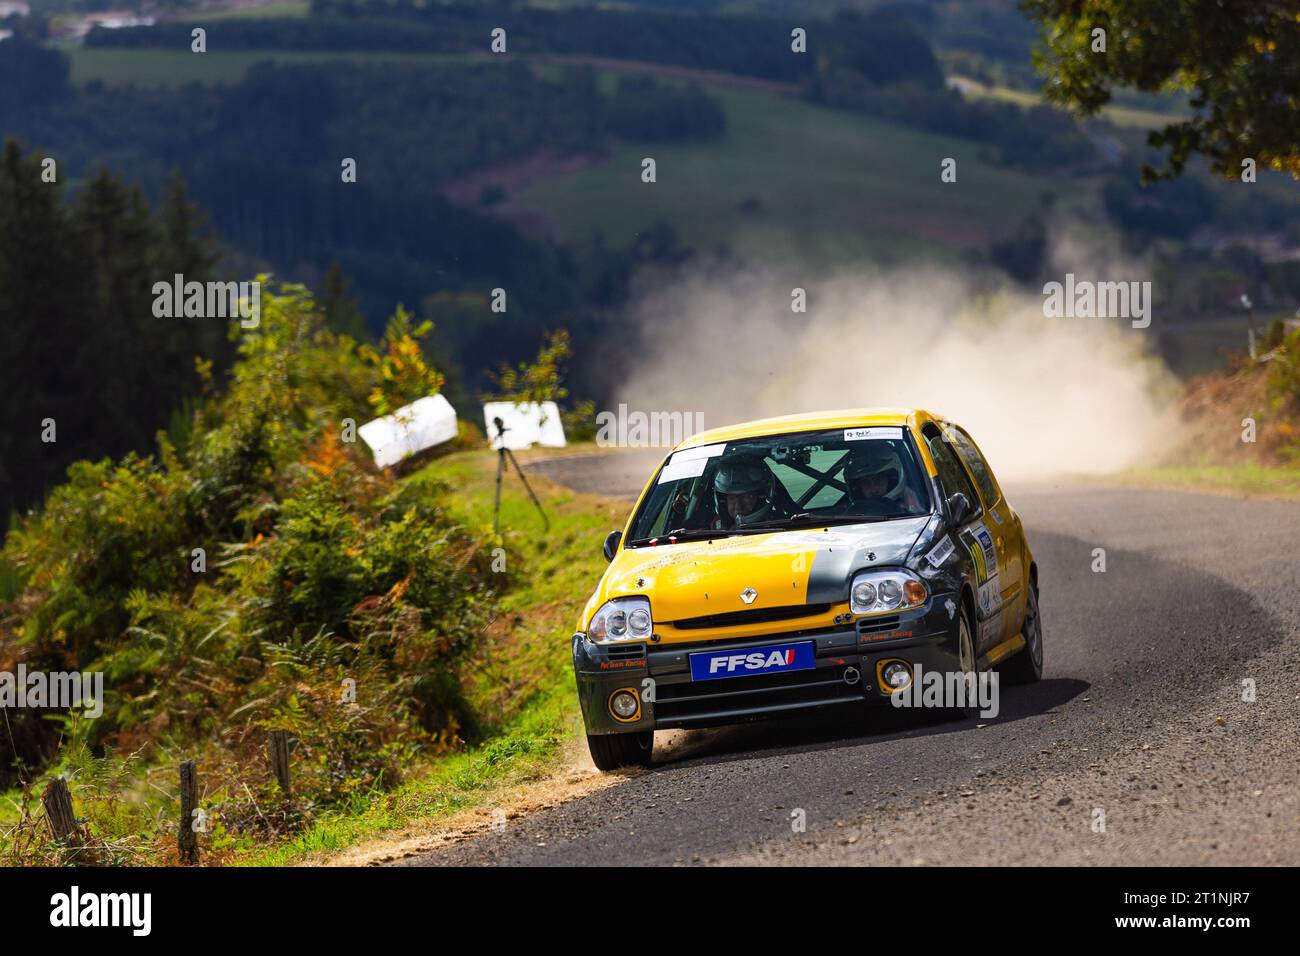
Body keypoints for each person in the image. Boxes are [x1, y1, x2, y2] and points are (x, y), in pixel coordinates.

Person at [840, 443, 922, 515]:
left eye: (878, 480)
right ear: (858, 487)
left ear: (891, 479)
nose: (873, 488)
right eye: (865, 482)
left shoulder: (913, 505)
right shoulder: (849, 514)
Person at [711, 458, 781, 528]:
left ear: (762, 497)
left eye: (746, 497)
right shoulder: (711, 531)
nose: (739, 506)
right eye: (732, 498)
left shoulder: (782, 525)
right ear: (723, 502)